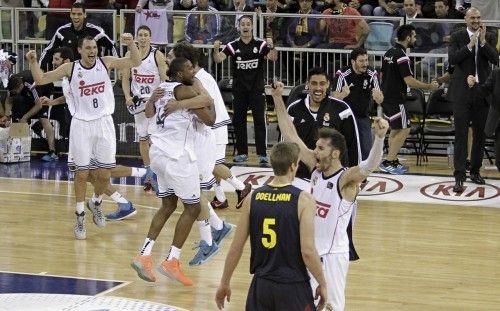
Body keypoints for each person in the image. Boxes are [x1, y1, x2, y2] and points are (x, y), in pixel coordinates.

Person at [272, 80, 390, 311]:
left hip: (333, 256)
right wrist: (277, 99)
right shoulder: (316, 170)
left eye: (320, 148)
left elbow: (369, 166)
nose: (314, 151)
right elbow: (290, 134)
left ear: (335, 154)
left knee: (332, 308)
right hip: (311, 253)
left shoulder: (345, 180)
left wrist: (379, 138)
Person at [26, 33, 141, 240]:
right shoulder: (70, 69)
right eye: (88, 48)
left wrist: (131, 43)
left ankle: (95, 203)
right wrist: (33, 62)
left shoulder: (105, 63)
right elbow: (41, 78)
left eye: (94, 47)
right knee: (82, 174)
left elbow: (135, 61)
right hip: (81, 125)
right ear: (80, 50)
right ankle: (79, 214)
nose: (92, 51)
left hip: (105, 122)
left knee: (104, 175)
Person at [215, 141, 328, 311]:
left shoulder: (253, 198)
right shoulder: (304, 199)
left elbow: (236, 248)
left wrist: (224, 282)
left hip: (261, 286)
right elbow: (308, 251)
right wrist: (322, 282)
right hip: (293, 286)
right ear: (293, 166)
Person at [130, 57, 213, 286]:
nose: (192, 70)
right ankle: (171, 261)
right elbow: (208, 105)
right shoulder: (182, 90)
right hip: (178, 157)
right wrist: (191, 93)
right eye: (188, 68)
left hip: (158, 154)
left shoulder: (161, 88)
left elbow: (148, 113)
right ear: (178, 74)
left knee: (168, 205)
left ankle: (144, 255)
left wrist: (175, 105)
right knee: (194, 207)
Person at [167, 42, 252, 210]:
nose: (168, 60)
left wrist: (179, 104)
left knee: (211, 165)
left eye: (171, 57)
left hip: (214, 127)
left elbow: (206, 104)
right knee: (210, 165)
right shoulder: (192, 78)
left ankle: (242, 188)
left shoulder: (200, 79)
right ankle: (221, 197)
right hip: (208, 127)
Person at [213, 15, 278, 164]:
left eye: (248, 24)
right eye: (243, 24)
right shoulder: (233, 45)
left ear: (252, 27)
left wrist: (272, 46)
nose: (246, 26)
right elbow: (218, 59)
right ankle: (242, 153)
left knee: (260, 121)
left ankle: (262, 154)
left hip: (257, 89)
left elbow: (273, 57)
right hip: (239, 90)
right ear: (239, 27)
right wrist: (216, 49)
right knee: (239, 121)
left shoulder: (260, 45)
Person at [448, 7, 498, 193]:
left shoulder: (490, 34)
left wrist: (483, 42)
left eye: (478, 17)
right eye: (472, 18)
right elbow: (452, 59)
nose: (476, 21)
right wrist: (470, 45)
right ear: (465, 19)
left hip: (482, 91)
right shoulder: (457, 36)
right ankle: (459, 176)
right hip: (462, 92)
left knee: (480, 135)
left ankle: (475, 171)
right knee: (461, 135)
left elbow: (495, 58)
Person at [379, 24, 439, 175]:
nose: (415, 38)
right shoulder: (402, 56)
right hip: (396, 99)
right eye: (413, 36)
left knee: (396, 129)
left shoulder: (388, 52)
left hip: (387, 97)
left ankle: (389, 160)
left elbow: (382, 75)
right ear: (407, 38)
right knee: (405, 129)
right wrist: (428, 87)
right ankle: (389, 161)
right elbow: (409, 80)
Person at [287, 67, 361, 180]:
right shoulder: (293, 109)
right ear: (307, 84)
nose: (318, 88)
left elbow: (353, 144)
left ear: (328, 84)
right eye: (314, 83)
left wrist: (357, 175)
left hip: (334, 175)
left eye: (322, 84)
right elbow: (285, 144)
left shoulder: (342, 109)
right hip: (300, 175)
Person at [120, 25, 167, 196]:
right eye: (140, 35)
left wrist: (158, 98)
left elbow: (164, 78)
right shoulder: (129, 55)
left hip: (153, 103)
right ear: (136, 38)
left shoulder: (157, 55)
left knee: (155, 140)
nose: (143, 37)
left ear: (150, 37)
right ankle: (149, 173)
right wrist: (127, 96)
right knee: (142, 138)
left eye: (146, 35)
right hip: (138, 103)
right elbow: (125, 79)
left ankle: (158, 173)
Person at [333, 47, 384, 160]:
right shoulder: (342, 74)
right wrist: (343, 94)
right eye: (361, 61)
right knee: (342, 149)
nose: (365, 64)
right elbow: (333, 97)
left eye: (366, 60)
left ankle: (362, 176)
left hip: (362, 116)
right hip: (344, 118)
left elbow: (380, 99)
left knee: (366, 150)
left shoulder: (372, 74)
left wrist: (378, 97)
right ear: (353, 62)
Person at [39, 3, 118, 71]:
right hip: (70, 75)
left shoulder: (96, 31)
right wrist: (41, 69)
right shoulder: (62, 31)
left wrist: (120, 66)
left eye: (79, 14)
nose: (76, 17)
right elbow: (48, 50)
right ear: (70, 14)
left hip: (92, 73)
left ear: (85, 15)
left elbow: (112, 46)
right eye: (73, 14)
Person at [5, 72, 57, 161]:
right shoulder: (13, 82)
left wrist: (25, 117)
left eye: (15, 91)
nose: (14, 93)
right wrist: (7, 116)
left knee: (43, 118)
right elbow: (9, 101)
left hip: (45, 91)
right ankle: (22, 149)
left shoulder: (31, 85)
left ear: (21, 86)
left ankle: (53, 152)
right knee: (18, 111)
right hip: (29, 93)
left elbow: (39, 105)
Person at [467, 72, 500, 172]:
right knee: (499, 161)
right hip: (499, 121)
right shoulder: (497, 74)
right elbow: (484, 91)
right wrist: (473, 85)